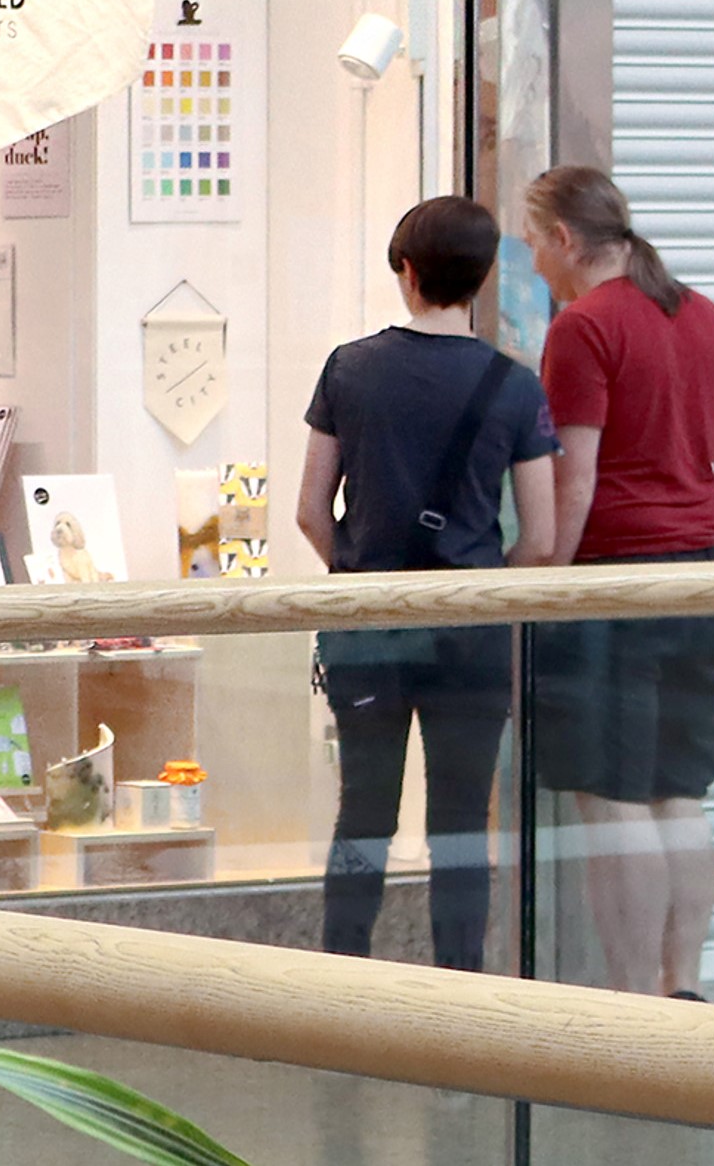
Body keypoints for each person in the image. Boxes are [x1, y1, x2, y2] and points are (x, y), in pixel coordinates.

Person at [296, 196, 559, 972]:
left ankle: (342, 978)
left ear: (406, 271)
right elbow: (540, 540)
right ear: (480, 278)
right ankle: (461, 999)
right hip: (472, 638)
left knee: (363, 816)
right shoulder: (515, 387)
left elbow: (313, 511)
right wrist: (480, 591)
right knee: (458, 825)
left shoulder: (350, 367)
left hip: (368, 626)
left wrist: (357, 574)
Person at [523, 165, 714, 999]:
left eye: (532, 244)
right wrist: (703, 549)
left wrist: (549, 582)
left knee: (613, 799)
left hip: (612, 587)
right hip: (699, 582)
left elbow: (575, 480)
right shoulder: (703, 315)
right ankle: (681, 985)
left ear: (563, 239)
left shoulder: (583, 329)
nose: (532, 263)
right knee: (678, 793)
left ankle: (626, 1003)